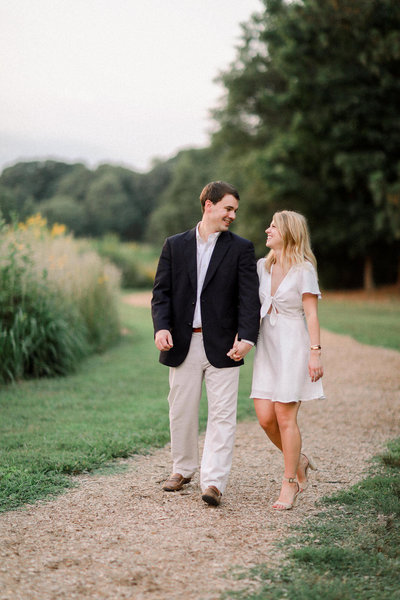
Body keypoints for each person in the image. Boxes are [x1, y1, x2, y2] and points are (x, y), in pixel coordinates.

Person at [151, 181, 260, 506]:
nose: (232, 216)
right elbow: (161, 293)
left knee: (223, 415)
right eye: (228, 208)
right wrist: (161, 328)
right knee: (180, 409)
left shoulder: (241, 248)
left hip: (225, 345)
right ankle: (182, 469)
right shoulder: (174, 245)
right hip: (182, 343)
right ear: (208, 205)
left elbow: (248, 299)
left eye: (235, 210)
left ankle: (213, 482)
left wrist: (247, 337)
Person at [249, 210, 324, 510]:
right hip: (267, 344)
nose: (267, 230)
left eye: (273, 227)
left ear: (289, 233)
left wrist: (315, 353)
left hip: (294, 343)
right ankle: (300, 461)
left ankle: (289, 483)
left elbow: (312, 314)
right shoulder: (261, 267)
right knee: (266, 418)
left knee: (285, 416)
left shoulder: (304, 269)